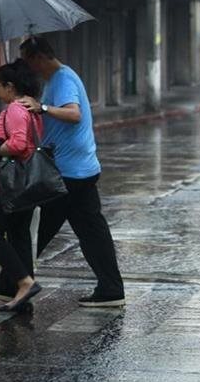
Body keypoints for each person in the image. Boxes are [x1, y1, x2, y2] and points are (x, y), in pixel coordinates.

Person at [20, 36, 125, 307]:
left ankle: (15, 281)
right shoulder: (58, 80)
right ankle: (111, 290)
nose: (29, 68)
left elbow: (73, 114)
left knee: (33, 228)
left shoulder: (63, 79)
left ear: (40, 57)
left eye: (29, 61)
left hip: (67, 173)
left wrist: (41, 107)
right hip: (81, 169)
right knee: (92, 231)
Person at [0, 59, 44, 312]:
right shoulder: (31, 110)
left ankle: (24, 282)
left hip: (6, 186)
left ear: (10, 87)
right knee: (19, 237)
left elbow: (18, 145)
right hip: (26, 186)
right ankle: (19, 291)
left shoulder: (16, 109)